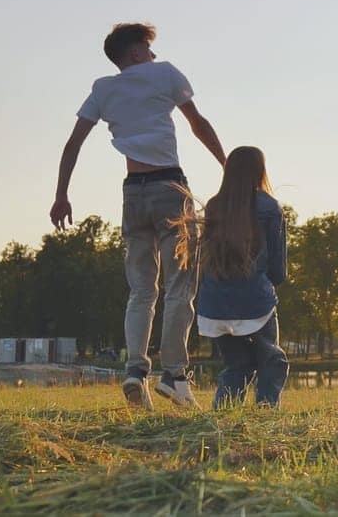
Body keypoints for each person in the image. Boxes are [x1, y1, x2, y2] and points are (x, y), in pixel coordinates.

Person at [49, 23, 225, 410]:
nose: (154, 56)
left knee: (141, 291)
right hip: (170, 190)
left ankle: (135, 371)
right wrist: (228, 167)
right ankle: (174, 375)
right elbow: (198, 124)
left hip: (133, 194)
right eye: (148, 49)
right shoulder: (165, 74)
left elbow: (73, 143)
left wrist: (62, 195)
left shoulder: (103, 89)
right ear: (134, 53)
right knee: (180, 287)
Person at [176, 146, 289, 408]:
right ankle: (265, 411)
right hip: (254, 300)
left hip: (214, 304)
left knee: (238, 364)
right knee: (273, 360)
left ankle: (223, 414)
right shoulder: (270, 207)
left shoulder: (216, 205)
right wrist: (269, 285)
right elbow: (278, 269)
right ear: (261, 170)